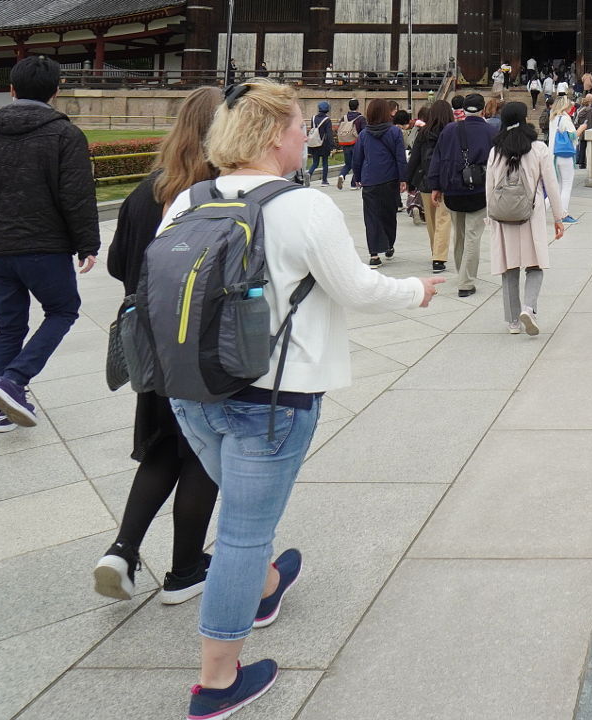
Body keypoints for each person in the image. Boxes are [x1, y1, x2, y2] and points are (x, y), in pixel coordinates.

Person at [160, 80, 443, 717]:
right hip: (272, 397)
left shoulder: (184, 202)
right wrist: (415, 292)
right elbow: (358, 289)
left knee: (240, 506)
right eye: (297, 126)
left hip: (190, 390)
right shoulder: (303, 207)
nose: (305, 134)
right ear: (269, 137)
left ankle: (261, 585)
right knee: (241, 530)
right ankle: (216, 679)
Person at [95, 86, 223, 604]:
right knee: (201, 453)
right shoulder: (223, 195)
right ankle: (186, 568)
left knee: (163, 446)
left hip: (150, 340)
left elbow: (118, 266)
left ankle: (123, 550)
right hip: (205, 345)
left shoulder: (146, 192)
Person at [0, 55, 99, 431]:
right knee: (63, 310)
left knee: (9, 326)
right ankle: (13, 381)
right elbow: (76, 193)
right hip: (44, 245)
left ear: (11, 89)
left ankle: (5, 405)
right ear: (56, 91)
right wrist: (87, 242)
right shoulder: (64, 134)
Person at [485, 100, 562, 336]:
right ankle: (529, 307)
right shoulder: (538, 148)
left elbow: (489, 187)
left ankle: (512, 321)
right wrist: (559, 216)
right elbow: (551, 183)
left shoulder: (495, 150)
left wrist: (490, 216)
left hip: (503, 214)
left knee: (509, 268)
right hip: (531, 212)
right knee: (535, 264)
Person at [427, 93, 496, 297]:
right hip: (478, 190)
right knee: (473, 235)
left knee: (459, 234)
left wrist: (435, 185)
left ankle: (461, 272)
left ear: (463, 109)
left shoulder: (449, 130)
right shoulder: (491, 132)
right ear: (483, 110)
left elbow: (437, 159)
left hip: (453, 189)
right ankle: (466, 281)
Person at [347, 99, 407, 267]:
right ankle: (388, 244)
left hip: (370, 180)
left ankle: (374, 254)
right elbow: (400, 158)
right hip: (390, 179)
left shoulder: (364, 134)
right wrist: (403, 178)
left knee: (371, 217)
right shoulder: (395, 132)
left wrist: (357, 177)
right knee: (389, 214)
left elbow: (357, 159)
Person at [407, 100, 453, 275]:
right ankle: (439, 257)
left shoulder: (423, 133)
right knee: (444, 218)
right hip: (447, 181)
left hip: (426, 180)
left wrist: (408, 180)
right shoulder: (452, 132)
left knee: (432, 221)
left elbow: (415, 158)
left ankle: (436, 252)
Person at [547, 96, 579, 224]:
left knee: (557, 186)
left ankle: (540, 210)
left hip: (553, 154)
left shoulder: (553, 118)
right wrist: (582, 128)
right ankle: (563, 213)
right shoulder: (565, 118)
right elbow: (573, 135)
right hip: (565, 154)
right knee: (566, 185)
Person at [331, 100, 365, 188]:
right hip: (356, 144)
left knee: (348, 164)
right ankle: (354, 184)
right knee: (357, 163)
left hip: (345, 143)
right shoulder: (361, 118)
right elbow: (364, 132)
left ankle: (342, 175)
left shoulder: (344, 118)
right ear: (358, 106)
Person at [304, 101, 336, 185]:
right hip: (323, 144)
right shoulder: (327, 120)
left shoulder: (313, 118)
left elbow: (313, 130)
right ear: (327, 110)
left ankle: (309, 174)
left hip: (314, 143)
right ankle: (324, 181)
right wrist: (332, 145)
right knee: (325, 162)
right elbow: (329, 134)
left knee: (315, 163)